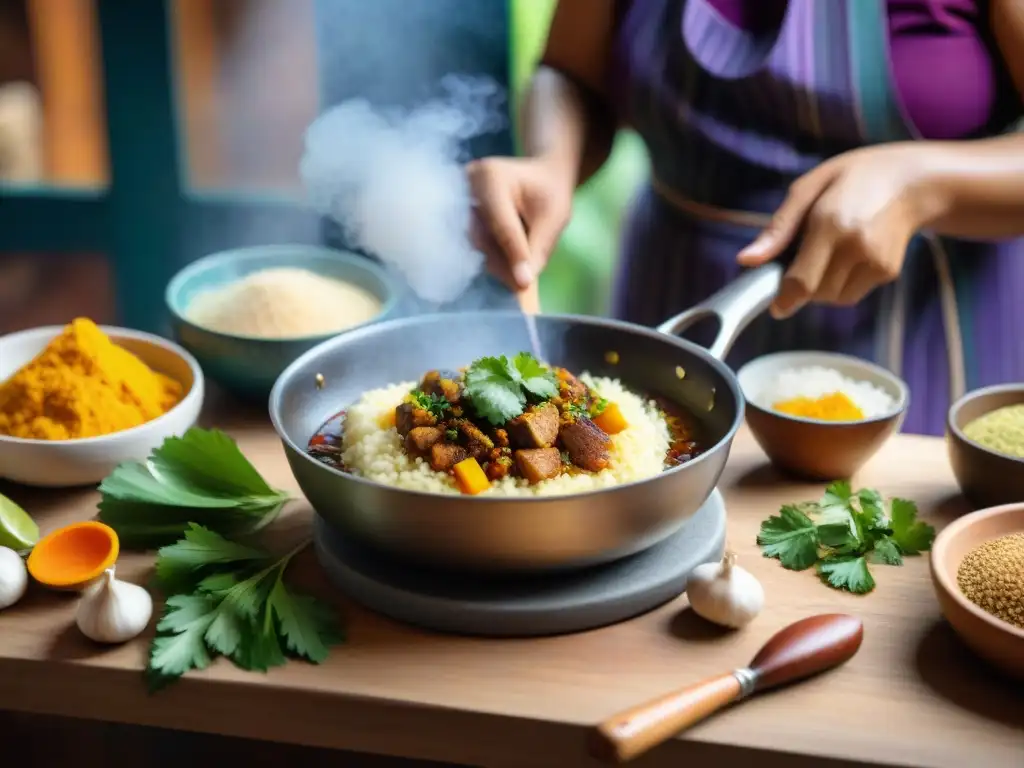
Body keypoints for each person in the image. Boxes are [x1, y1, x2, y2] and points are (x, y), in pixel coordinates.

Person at [467, 0, 1024, 436]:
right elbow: (571, 72)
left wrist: (923, 185)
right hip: (674, 291)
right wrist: (550, 161)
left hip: (921, 327)